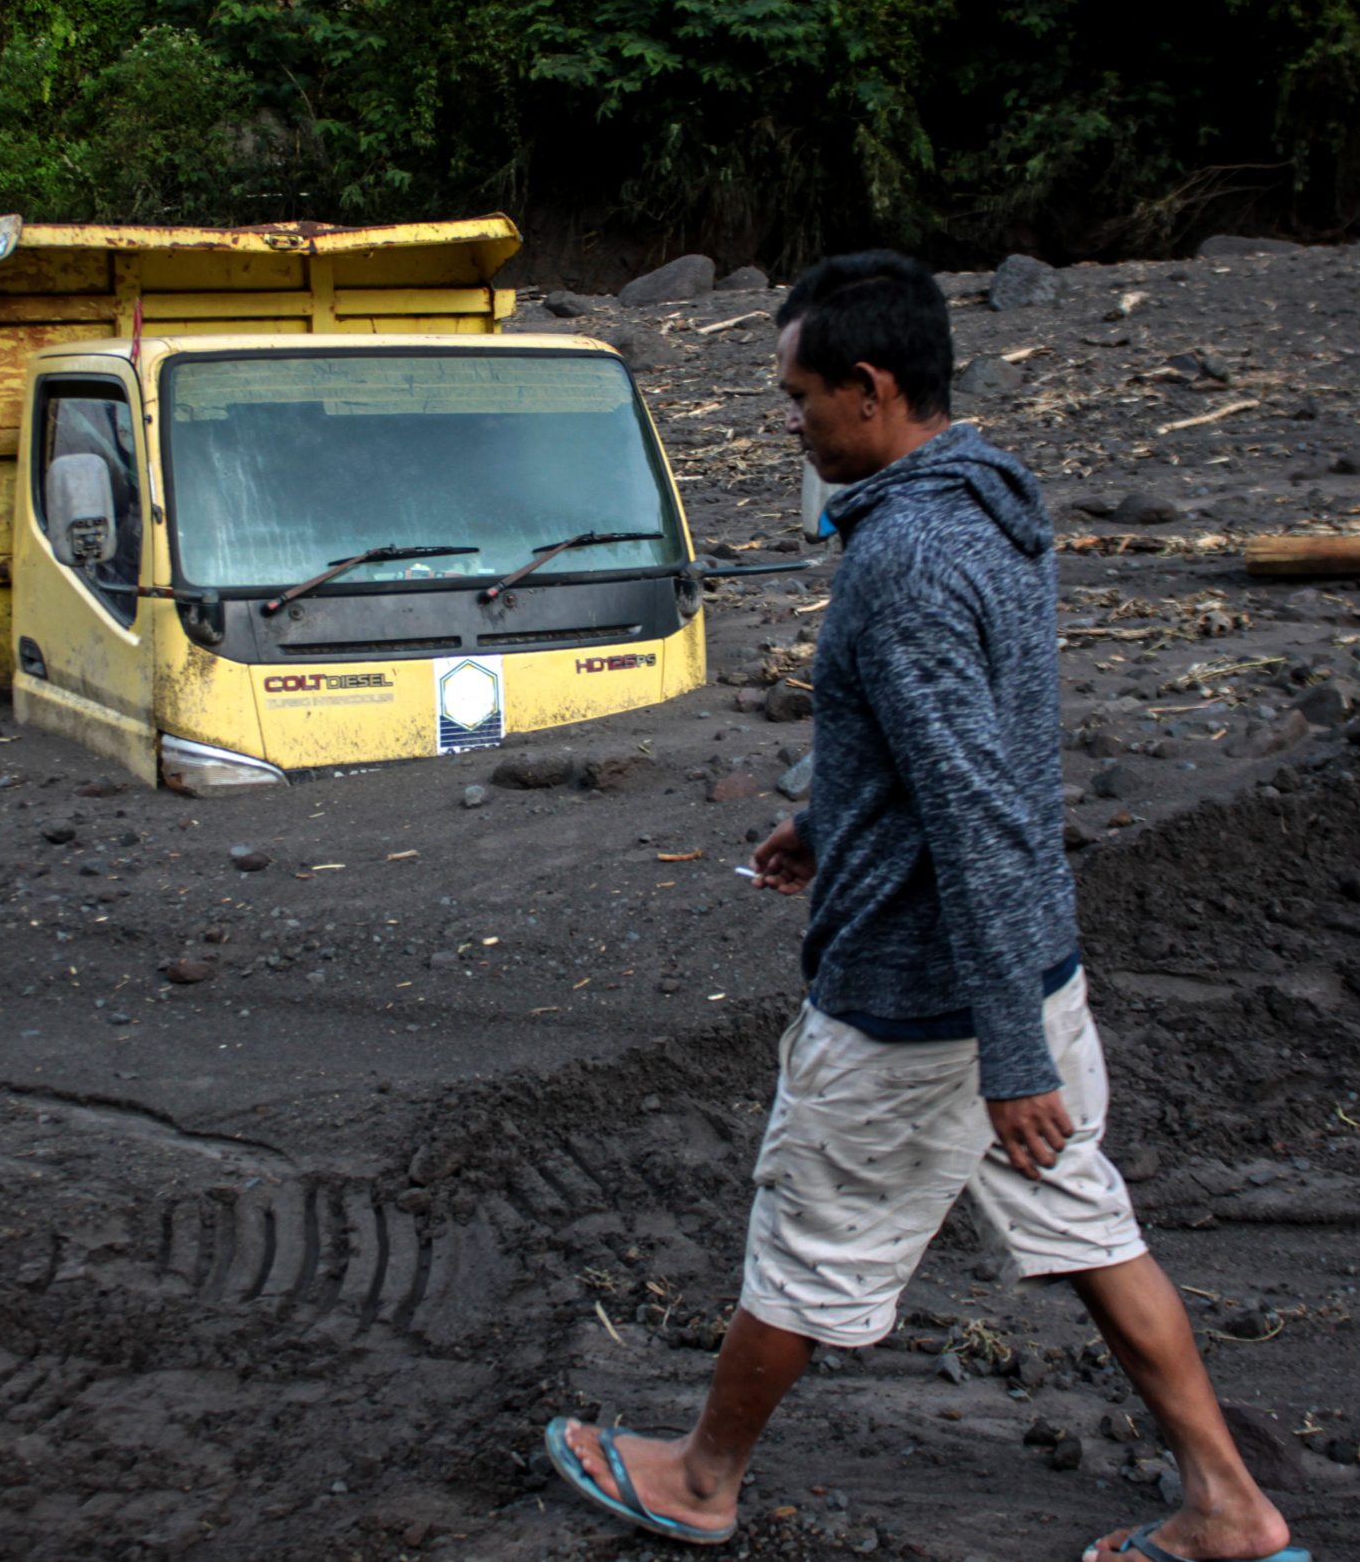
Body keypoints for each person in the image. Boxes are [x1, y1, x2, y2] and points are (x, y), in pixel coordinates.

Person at [542, 252, 1306, 1562]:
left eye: (798, 397)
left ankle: (701, 1478)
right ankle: (1228, 1504)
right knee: (1082, 1221)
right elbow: (968, 752)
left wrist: (1006, 1053)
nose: (788, 422)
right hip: (1029, 967)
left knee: (812, 1233)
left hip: (928, 1002)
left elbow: (979, 817)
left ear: (870, 388)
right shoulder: (992, 500)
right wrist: (832, 821)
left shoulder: (903, 562)